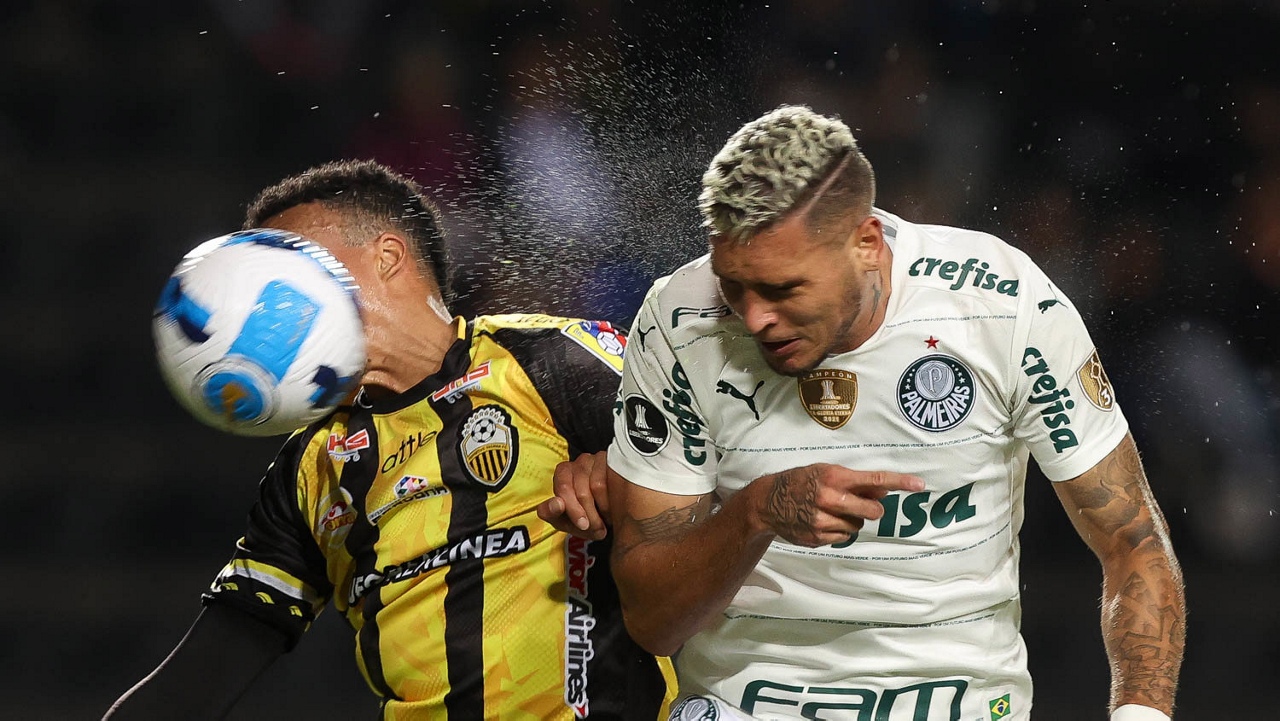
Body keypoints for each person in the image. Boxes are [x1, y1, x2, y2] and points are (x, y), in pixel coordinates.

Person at [555, 106, 1184, 720]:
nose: (754, 317)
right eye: (733, 285)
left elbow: (1132, 542)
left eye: (781, 288)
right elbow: (653, 622)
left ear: (866, 243)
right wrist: (756, 512)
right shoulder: (680, 321)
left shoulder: (1004, 306)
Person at [106, 160, 675, 720]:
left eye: (293, 259)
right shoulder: (311, 467)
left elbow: (713, 471)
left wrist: (633, 480)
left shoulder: (553, 359)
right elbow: (203, 675)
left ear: (387, 257)